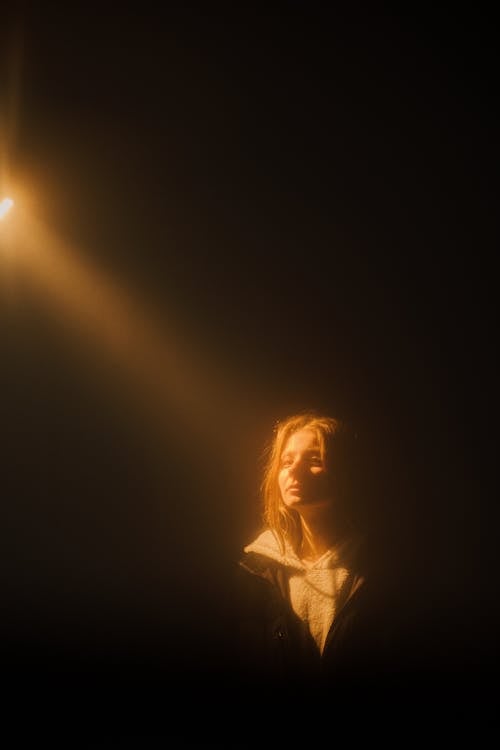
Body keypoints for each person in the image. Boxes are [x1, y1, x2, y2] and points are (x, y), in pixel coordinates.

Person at [226, 409, 393, 700]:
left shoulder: (382, 566)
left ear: (346, 470)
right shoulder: (257, 569)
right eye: (287, 460)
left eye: (314, 460)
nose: (293, 470)